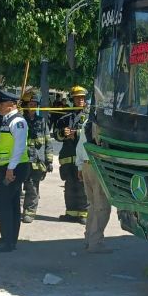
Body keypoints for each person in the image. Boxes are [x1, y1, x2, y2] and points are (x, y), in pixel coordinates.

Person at [0, 90, 30, 253]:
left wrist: (10, 169)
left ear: (11, 105)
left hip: (14, 167)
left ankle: (6, 241)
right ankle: (10, 240)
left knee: (4, 204)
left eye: (1, 103)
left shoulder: (17, 121)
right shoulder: (7, 120)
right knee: (12, 204)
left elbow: (20, 146)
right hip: (8, 166)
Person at [77, 99, 113, 253]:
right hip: (98, 166)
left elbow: (80, 146)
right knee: (102, 207)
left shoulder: (87, 123)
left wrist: (79, 166)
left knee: (92, 205)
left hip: (86, 165)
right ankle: (95, 243)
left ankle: (88, 238)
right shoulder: (101, 125)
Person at [53, 86, 89, 223]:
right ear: (72, 99)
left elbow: (92, 133)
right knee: (69, 186)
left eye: (82, 97)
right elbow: (56, 135)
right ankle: (71, 213)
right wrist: (62, 133)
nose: (80, 100)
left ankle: (83, 214)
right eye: (77, 97)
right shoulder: (65, 117)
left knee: (83, 186)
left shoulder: (91, 116)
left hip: (83, 158)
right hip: (68, 158)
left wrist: (77, 133)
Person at [21, 91, 52, 223]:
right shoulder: (20, 121)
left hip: (36, 162)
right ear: (25, 105)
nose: (32, 106)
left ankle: (30, 212)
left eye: (35, 104)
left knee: (33, 188)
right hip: (21, 161)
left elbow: (48, 142)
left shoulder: (42, 121)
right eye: (30, 104)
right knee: (16, 188)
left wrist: (49, 160)